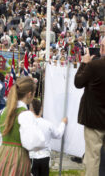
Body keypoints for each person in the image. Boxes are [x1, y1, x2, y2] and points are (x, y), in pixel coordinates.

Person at [0, 77, 45, 176]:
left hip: (2, 154)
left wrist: (6, 145)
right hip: (18, 156)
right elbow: (32, 143)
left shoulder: (2, 111)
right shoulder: (26, 114)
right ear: (29, 94)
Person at [74, 42, 105, 176]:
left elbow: (78, 82)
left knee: (93, 158)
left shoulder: (94, 66)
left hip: (94, 120)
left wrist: (84, 63)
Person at [29, 99, 67, 176]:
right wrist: (63, 123)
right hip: (45, 157)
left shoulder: (27, 124)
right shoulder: (48, 124)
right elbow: (58, 134)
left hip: (32, 157)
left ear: (30, 110)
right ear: (41, 109)